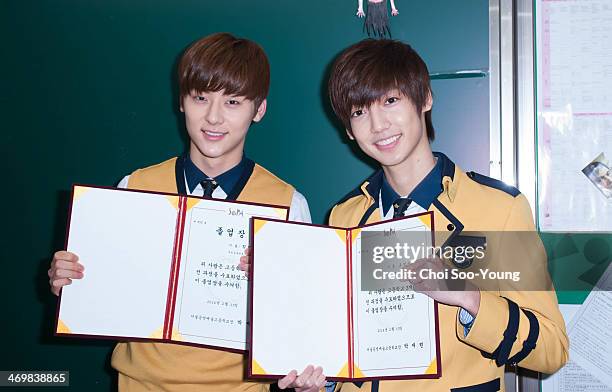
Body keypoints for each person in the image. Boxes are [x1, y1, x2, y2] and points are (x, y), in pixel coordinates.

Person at [48, 32, 324, 392]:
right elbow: (99, 295)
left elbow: (304, 322)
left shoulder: (288, 204)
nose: (213, 117)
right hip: (138, 385)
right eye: (200, 98)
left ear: (259, 109)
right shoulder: (135, 186)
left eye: (233, 102)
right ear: (182, 101)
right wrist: (69, 281)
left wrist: (278, 288)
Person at [324, 38, 568, 391]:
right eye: (359, 112)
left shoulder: (496, 209)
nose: (378, 125)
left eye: (390, 101)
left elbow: (552, 347)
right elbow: (339, 344)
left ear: (424, 98)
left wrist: (469, 298)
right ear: (347, 129)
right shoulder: (345, 218)